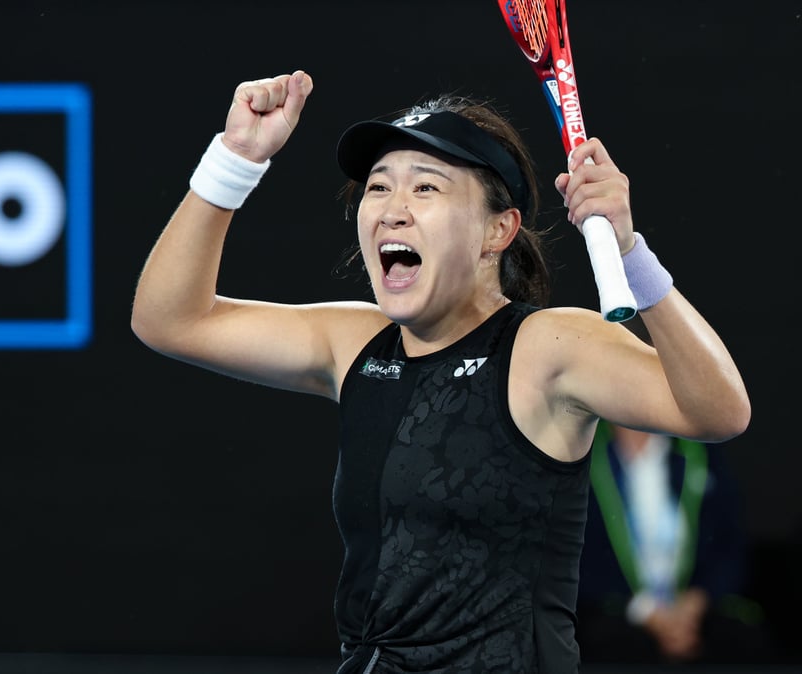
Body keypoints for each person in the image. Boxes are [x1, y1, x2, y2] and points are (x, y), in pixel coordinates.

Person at [129, 70, 750, 673]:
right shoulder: (356, 342)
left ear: (497, 231)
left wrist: (630, 253)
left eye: (425, 187)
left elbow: (719, 411)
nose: (393, 209)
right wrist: (236, 159)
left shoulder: (548, 344)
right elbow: (169, 320)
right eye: (378, 187)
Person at [577, 416, 774, 665]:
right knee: (610, 645)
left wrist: (695, 602)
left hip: (692, 606)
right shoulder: (583, 450)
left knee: (743, 640)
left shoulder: (697, 449)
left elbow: (729, 542)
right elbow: (573, 557)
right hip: (616, 609)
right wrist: (646, 611)